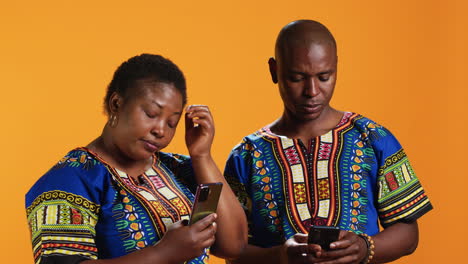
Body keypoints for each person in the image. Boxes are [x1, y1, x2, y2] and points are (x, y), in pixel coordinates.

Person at [224, 20, 432, 264]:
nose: (312, 91)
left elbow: (409, 234)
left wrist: (365, 248)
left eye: (324, 77)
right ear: (274, 70)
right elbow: (231, 250)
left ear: (336, 68)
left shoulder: (373, 138)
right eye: (297, 77)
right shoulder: (246, 155)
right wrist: (279, 256)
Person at [25, 54, 247, 264]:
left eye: (172, 123)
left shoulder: (179, 169)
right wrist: (163, 253)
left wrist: (202, 155)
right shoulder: (70, 179)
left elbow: (233, 246)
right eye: (151, 114)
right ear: (116, 104)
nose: (160, 130)